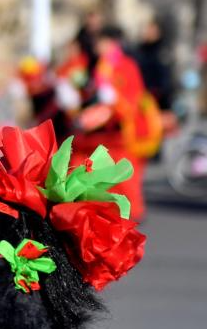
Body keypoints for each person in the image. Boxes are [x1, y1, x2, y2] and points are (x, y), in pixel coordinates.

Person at [55, 26, 151, 220]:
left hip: (117, 132)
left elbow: (133, 97)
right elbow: (72, 84)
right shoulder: (89, 64)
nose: (98, 46)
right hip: (90, 132)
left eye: (102, 42)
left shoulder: (125, 66)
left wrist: (113, 104)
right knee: (82, 167)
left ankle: (127, 211)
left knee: (121, 173)